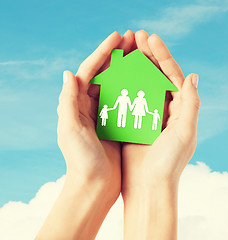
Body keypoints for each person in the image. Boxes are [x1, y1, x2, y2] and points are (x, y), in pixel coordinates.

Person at [35, 30, 200, 240]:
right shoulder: (126, 99)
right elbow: (126, 104)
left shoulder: (136, 99)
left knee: (133, 120)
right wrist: (90, 179)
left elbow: (135, 104)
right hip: (121, 115)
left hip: (139, 116)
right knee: (123, 119)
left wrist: (149, 186)